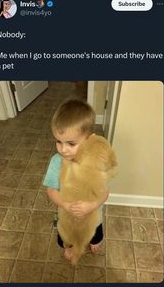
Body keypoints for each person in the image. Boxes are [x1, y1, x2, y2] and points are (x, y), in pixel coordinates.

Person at [43, 99, 109, 262]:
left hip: (92, 215)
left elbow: (104, 191)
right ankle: (71, 245)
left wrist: (92, 205)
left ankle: (94, 240)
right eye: (58, 141)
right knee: (66, 234)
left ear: (89, 139)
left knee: (95, 231)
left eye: (71, 143)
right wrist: (65, 205)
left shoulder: (95, 161)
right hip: (66, 215)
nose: (63, 149)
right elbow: (51, 190)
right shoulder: (56, 162)